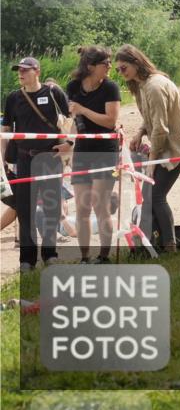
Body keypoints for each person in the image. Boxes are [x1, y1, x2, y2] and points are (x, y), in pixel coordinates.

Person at [116, 45, 180, 252]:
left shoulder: (155, 86)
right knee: (149, 198)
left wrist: (152, 161)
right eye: (118, 70)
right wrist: (140, 132)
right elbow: (152, 118)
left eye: (124, 68)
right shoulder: (143, 85)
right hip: (165, 146)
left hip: (176, 147)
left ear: (136, 63)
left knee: (156, 196)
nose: (121, 73)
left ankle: (170, 246)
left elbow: (160, 128)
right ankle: (152, 244)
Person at [1, 57, 70, 271]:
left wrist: (69, 143)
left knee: (52, 208)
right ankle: (27, 260)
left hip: (50, 158)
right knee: (25, 210)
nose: (20, 73)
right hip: (24, 159)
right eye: (19, 70)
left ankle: (50, 254)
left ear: (37, 71)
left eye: (25, 70)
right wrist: (2, 159)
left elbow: (71, 118)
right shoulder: (13, 98)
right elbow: (6, 130)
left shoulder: (53, 93)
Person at [65, 46, 121, 263]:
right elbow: (74, 121)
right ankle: (85, 257)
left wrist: (83, 109)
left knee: (100, 205)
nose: (109, 66)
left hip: (106, 151)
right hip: (83, 150)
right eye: (105, 63)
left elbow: (110, 121)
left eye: (109, 62)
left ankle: (104, 256)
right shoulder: (73, 87)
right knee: (81, 208)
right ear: (90, 66)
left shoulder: (110, 87)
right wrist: (69, 142)